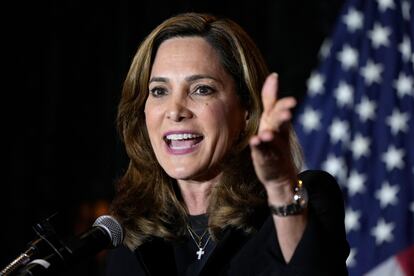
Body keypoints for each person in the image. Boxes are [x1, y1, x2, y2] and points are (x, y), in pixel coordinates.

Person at [106, 12, 349, 276]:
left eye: (201, 89)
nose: (174, 111)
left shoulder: (302, 201)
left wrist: (280, 188)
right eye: (159, 91)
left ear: (246, 111)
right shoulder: (133, 234)